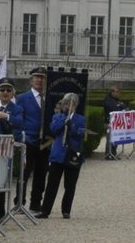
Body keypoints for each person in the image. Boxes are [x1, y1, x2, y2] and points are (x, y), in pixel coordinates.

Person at [37, 93, 87, 219]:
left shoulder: (80, 119)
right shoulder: (57, 117)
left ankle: (66, 210)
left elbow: (80, 134)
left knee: (70, 185)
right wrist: (64, 122)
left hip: (73, 155)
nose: (67, 106)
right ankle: (45, 210)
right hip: (58, 155)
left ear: (75, 106)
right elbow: (53, 129)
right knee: (52, 185)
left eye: (71, 104)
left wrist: (72, 127)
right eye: (65, 103)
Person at [19, 69, 49, 210]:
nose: (39, 80)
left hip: (45, 142)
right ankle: (19, 202)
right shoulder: (23, 98)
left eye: (42, 78)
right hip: (28, 140)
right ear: (31, 80)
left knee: (41, 174)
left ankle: (36, 203)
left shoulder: (49, 97)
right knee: (24, 174)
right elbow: (19, 119)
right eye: (37, 77)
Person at [99, 87, 126, 159]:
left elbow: (124, 105)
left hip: (116, 123)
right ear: (112, 92)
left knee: (116, 138)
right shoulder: (108, 100)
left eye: (118, 92)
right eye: (116, 92)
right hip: (109, 123)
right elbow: (114, 108)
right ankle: (108, 154)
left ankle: (113, 153)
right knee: (110, 139)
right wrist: (119, 106)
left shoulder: (116, 100)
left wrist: (120, 105)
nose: (118, 93)